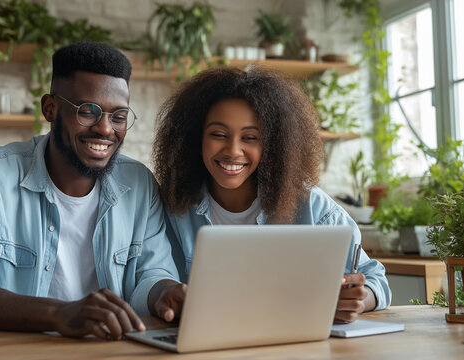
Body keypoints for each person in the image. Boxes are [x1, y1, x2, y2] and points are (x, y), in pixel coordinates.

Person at [0, 42, 185, 340]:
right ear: (50, 108)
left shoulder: (139, 185)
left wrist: (164, 292)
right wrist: (59, 314)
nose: (105, 129)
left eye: (118, 116)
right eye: (88, 111)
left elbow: (150, 275)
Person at [152, 66, 392, 323]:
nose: (233, 150)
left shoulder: (313, 208)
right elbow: (152, 279)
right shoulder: (171, 208)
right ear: (194, 138)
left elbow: (375, 279)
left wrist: (360, 299)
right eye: (218, 134)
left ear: (273, 144)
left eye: (250, 138)